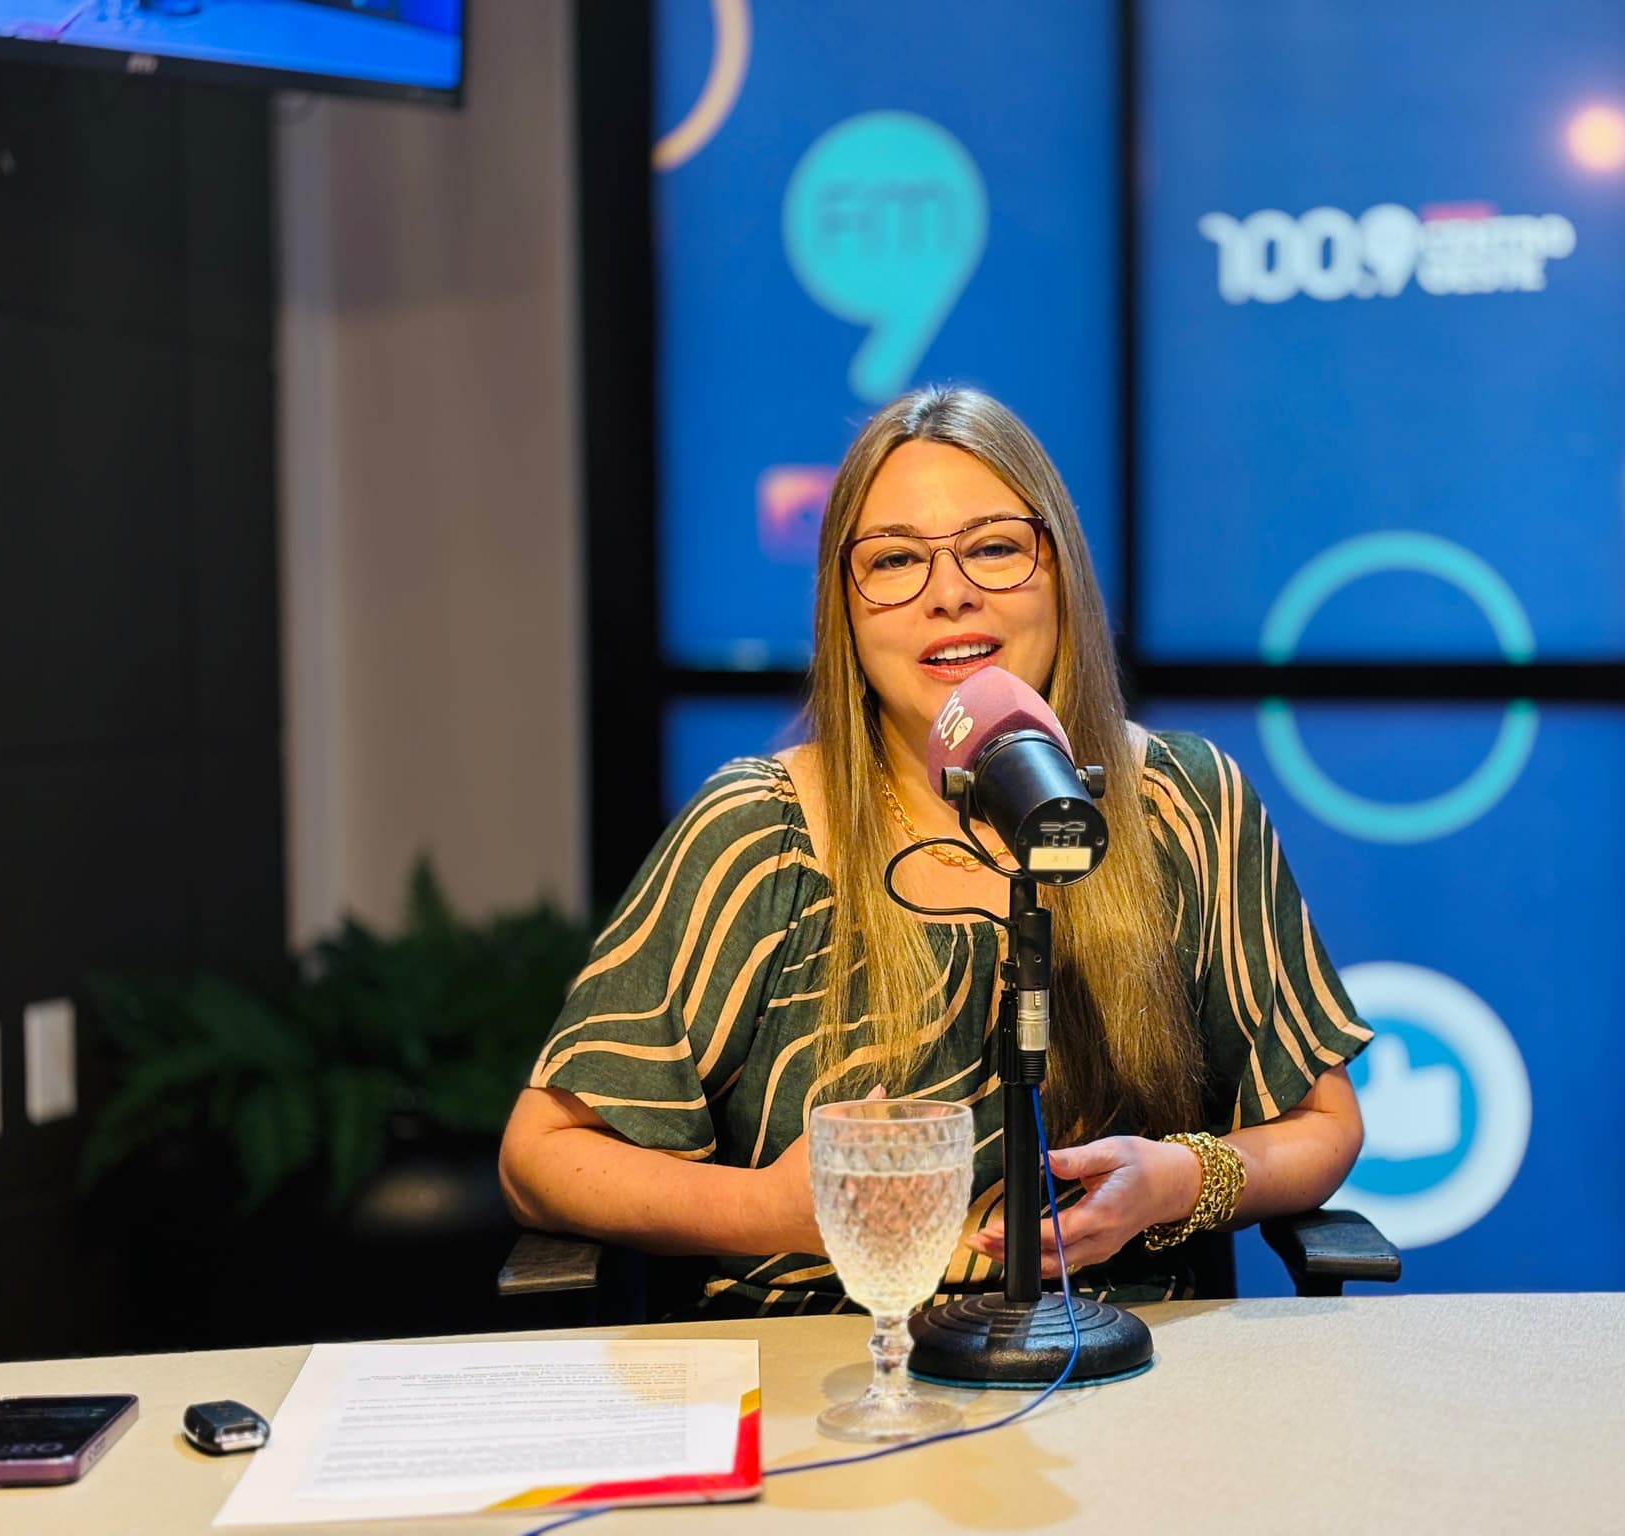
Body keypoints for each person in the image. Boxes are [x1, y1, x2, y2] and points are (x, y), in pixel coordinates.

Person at [498, 386, 1371, 1315]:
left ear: (1060, 570)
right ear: (848, 610)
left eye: (994, 548)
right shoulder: (760, 829)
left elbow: (1322, 1128)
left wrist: (1182, 1181)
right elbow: (542, 1157)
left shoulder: (1183, 803)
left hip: (1122, 1357)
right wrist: (766, 1210)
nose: (948, 593)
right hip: (828, 1368)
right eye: (895, 560)